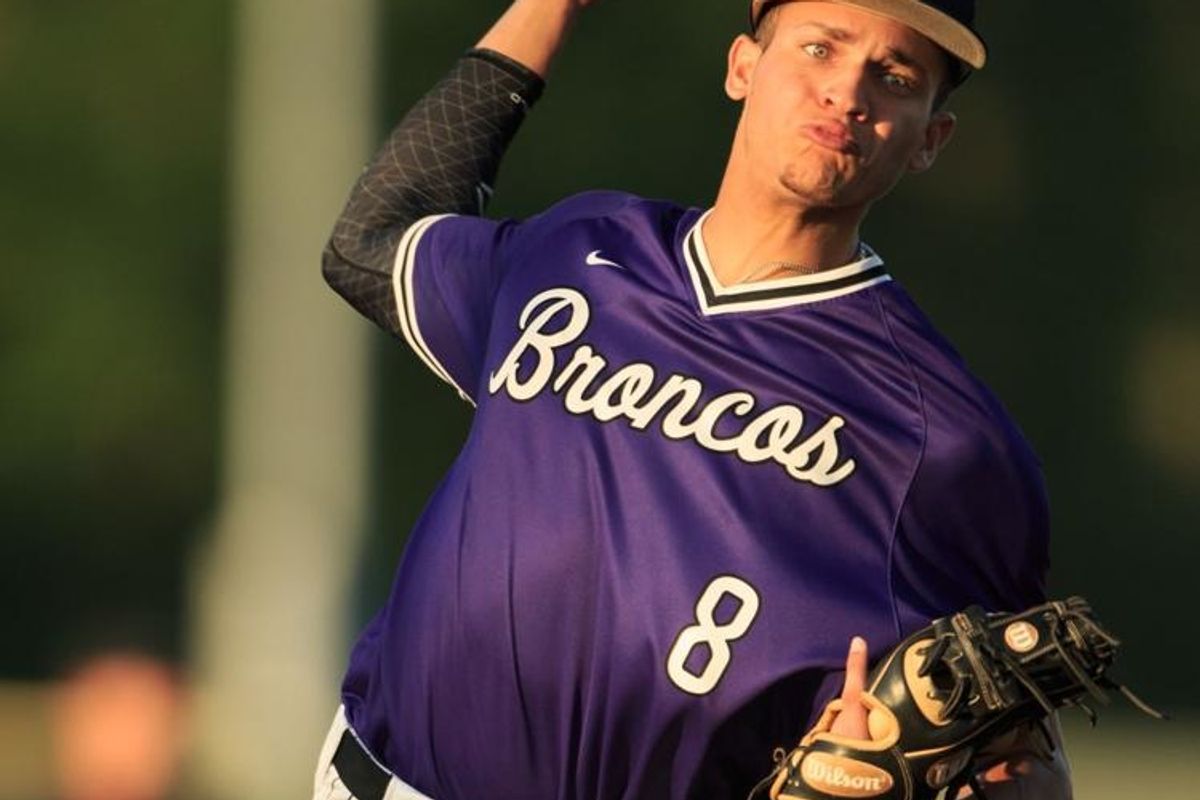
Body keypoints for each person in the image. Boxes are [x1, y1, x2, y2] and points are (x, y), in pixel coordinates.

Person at [315, 1, 1071, 798]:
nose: (847, 93)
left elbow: (1028, 755)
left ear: (930, 139)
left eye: (895, 77)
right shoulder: (575, 252)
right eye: (820, 48)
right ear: (743, 66)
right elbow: (370, 243)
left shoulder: (942, 440)